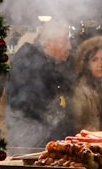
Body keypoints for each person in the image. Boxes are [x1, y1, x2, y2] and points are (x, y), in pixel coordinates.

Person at [4, 21, 75, 150]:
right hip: (31, 143)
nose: (69, 47)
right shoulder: (31, 66)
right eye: (64, 41)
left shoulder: (46, 63)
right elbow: (35, 107)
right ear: (49, 43)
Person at [70, 34, 102, 133]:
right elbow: (77, 122)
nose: (99, 65)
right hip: (90, 141)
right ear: (87, 64)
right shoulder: (81, 90)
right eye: (94, 60)